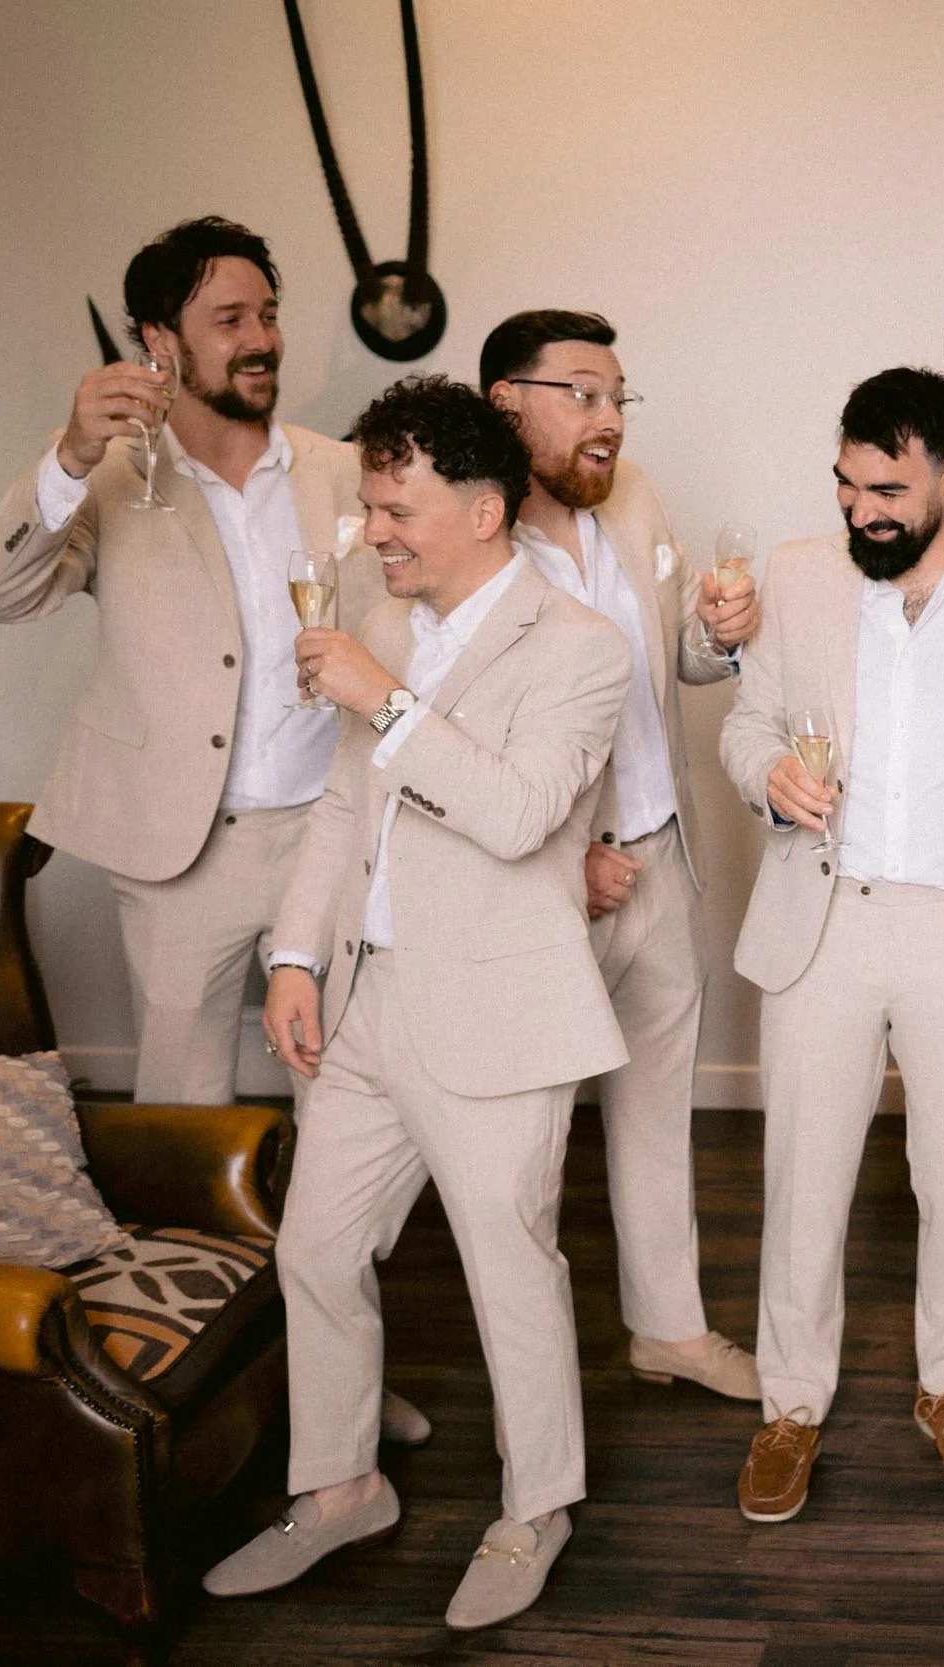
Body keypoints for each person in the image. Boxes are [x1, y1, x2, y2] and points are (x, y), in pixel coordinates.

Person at [202, 377, 631, 1628]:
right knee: (315, 1249)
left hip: (497, 1009)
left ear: (484, 511)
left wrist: (382, 698)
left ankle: (535, 1506)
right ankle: (341, 1486)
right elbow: (346, 804)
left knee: (509, 1266)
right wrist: (295, 956)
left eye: (398, 510)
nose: (373, 531)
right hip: (365, 1000)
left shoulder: (582, 647)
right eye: (371, 507)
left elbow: (519, 813)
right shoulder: (378, 617)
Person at [717, 367, 944, 1522]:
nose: (861, 510)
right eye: (846, 484)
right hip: (822, 916)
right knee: (803, 1174)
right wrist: (767, 777)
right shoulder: (796, 575)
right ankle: (790, 1401)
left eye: (887, 490)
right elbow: (746, 723)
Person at [0, 217, 383, 1108]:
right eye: (229, 320)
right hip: (177, 847)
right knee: (179, 1105)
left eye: (267, 314)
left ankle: (328, 1213)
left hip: (330, 829)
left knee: (347, 1094)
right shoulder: (107, 476)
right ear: (160, 341)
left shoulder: (345, 471)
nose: (261, 339)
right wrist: (70, 454)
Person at [482, 310, 760, 1401]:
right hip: (553, 886)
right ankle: (531, 1385)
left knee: (656, 1115)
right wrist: (571, 856)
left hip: (661, 856)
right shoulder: (471, 531)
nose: (609, 420)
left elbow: (673, 657)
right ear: (507, 402)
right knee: (529, 1145)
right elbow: (466, 729)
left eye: (617, 397)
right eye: (583, 395)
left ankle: (669, 1329)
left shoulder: (633, 495)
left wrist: (719, 633)